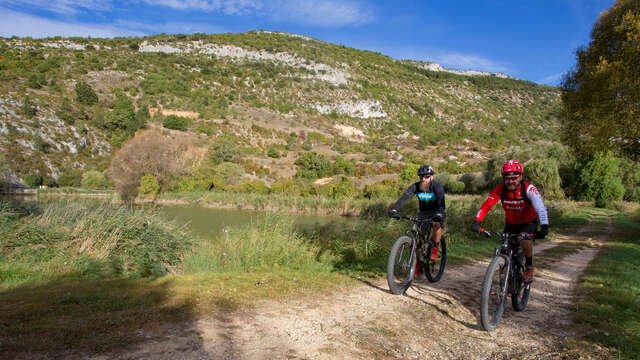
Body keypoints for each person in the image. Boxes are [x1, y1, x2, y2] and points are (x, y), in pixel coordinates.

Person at [471, 160, 549, 283]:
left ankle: (528, 266)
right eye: (507, 178)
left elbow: (540, 207)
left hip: (528, 223)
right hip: (511, 224)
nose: (510, 181)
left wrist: (544, 226)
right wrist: (477, 221)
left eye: (514, 178)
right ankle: (506, 280)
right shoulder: (501, 189)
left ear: (521, 177)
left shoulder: (529, 189)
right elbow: (486, 205)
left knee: (524, 239)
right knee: (504, 249)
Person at [389, 165, 446, 264]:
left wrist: (440, 214)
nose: (424, 179)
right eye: (421, 177)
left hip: (437, 212)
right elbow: (405, 197)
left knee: (436, 224)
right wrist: (394, 209)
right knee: (416, 240)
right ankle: (416, 262)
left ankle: (435, 249)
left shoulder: (436, 187)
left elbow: (441, 202)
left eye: (427, 177)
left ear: (432, 177)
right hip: (423, 213)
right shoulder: (416, 186)